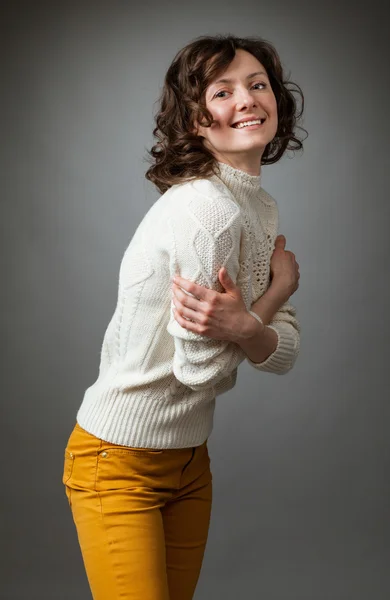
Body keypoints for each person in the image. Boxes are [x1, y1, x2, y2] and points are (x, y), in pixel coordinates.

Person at [62, 34, 306, 600]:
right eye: (223, 92)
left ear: (277, 101)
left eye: (258, 84)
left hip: (189, 459)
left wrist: (253, 326)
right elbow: (204, 370)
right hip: (119, 460)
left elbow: (285, 352)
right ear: (196, 118)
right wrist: (269, 302)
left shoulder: (257, 205)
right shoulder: (208, 211)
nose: (246, 100)